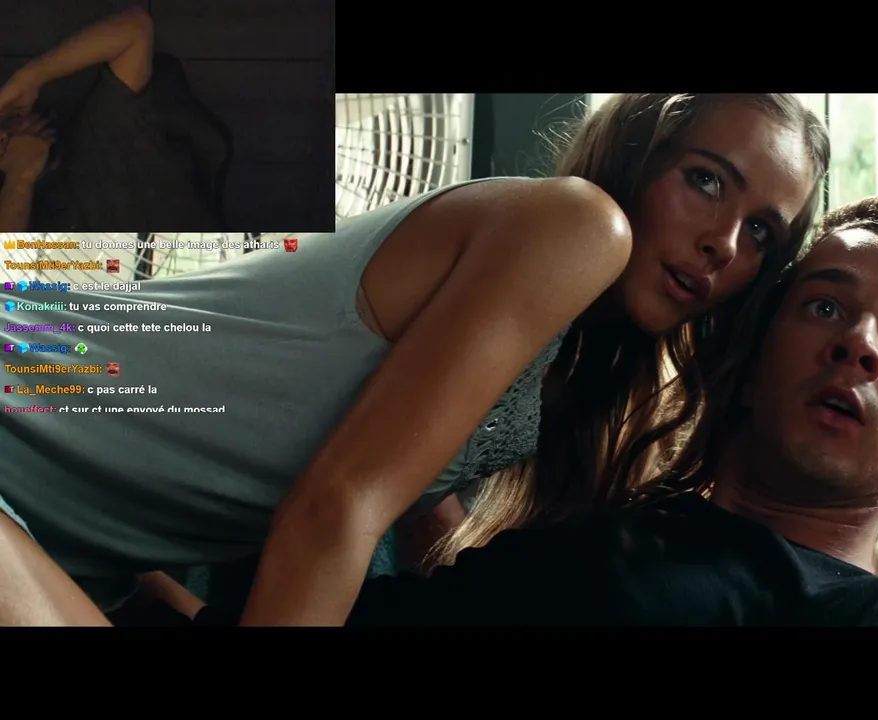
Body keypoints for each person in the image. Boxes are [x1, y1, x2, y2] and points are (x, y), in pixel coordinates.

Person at [0, 93, 830, 626]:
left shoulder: (567, 366)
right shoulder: (578, 225)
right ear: (638, 157)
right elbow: (337, 508)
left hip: (77, 539)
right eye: (705, 181)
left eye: (762, 231)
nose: (724, 242)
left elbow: (390, 507)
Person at [164, 194, 878, 626]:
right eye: (824, 307)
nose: (858, 344)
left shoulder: (870, 612)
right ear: (747, 374)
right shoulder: (614, 523)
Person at [0, 4, 221, 232]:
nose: (4, 135)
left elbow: (136, 29)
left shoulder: (97, 136)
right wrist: (20, 179)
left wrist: (29, 78)